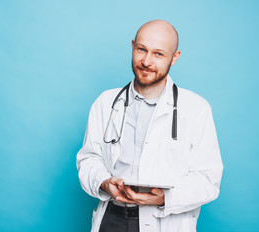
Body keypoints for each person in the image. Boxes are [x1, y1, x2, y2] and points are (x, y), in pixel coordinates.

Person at [77, 20, 223, 232]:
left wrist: (165, 198)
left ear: (175, 57)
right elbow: (89, 159)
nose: (146, 61)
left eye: (158, 54)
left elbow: (208, 179)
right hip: (112, 219)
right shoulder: (105, 102)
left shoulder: (196, 108)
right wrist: (104, 182)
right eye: (141, 49)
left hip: (164, 222)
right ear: (133, 46)